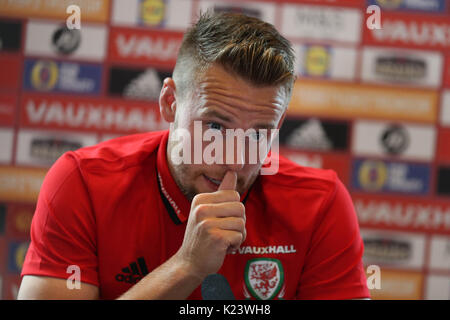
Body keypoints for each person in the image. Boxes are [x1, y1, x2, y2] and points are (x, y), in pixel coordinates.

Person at [18, 12, 370, 300]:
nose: (234, 159)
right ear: (170, 103)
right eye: (215, 127)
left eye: (259, 134)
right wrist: (186, 266)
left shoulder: (319, 204)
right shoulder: (83, 183)